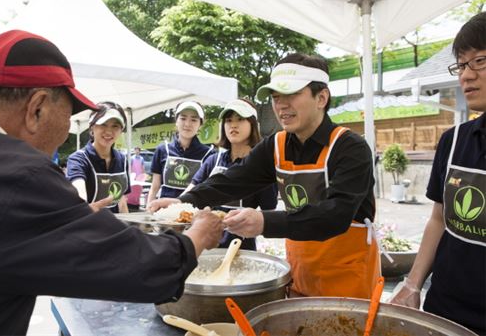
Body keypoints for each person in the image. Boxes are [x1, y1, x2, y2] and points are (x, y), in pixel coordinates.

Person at [0, 29, 223, 335]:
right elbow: (138, 267)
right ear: (37, 108)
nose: (64, 133)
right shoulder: (16, 174)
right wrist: (198, 237)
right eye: (69, 117)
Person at [150, 53, 380, 299]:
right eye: (275, 97)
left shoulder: (350, 148)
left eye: (291, 94)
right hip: (300, 270)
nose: (281, 105)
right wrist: (186, 201)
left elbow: (337, 214)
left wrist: (264, 222)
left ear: (321, 98)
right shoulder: (276, 145)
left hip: (348, 278)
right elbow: (234, 179)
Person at [391, 12, 486, 335]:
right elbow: (438, 218)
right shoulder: (454, 140)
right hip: (444, 308)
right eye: (461, 64)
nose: (466, 76)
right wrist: (413, 283)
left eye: (480, 62)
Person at [183, 99, 278, 250]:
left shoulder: (262, 167)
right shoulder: (213, 160)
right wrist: (174, 205)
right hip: (206, 245)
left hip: (241, 248)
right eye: (228, 120)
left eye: (240, 119)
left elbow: (268, 212)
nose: (233, 125)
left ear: (253, 124)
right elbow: (191, 192)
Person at [67, 102, 131, 213]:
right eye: (103, 124)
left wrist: (129, 226)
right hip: (88, 225)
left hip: (115, 227)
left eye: (115, 126)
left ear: (121, 130)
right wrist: (84, 209)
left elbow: (121, 201)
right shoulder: (78, 159)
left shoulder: (122, 160)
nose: (109, 131)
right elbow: (79, 194)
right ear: (92, 128)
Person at [147, 101, 214, 203]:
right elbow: (155, 186)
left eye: (194, 120)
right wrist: (149, 206)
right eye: (183, 118)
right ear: (176, 121)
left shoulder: (209, 154)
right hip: (163, 210)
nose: (187, 124)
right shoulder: (162, 149)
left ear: (200, 124)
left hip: (193, 211)